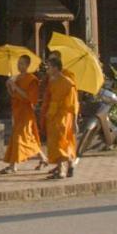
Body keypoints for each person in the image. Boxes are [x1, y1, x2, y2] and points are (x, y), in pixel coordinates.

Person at [0, 55, 46, 174]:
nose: (20, 66)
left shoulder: (32, 79)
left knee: (20, 138)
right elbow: (13, 95)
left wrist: (15, 86)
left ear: (28, 65)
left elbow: (30, 98)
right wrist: (9, 86)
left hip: (26, 112)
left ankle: (13, 166)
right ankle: (42, 158)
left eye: (22, 64)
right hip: (17, 111)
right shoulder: (17, 78)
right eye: (18, 63)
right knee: (22, 138)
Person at [43, 51, 78, 180]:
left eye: (49, 66)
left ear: (56, 68)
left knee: (60, 142)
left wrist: (74, 121)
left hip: (64, 115)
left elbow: (74, 102)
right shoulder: (52, 81)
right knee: (55, 142)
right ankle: (68, 165)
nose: (47, 69)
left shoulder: (68, 82)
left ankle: (62, 170)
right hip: (53, 114)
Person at [93, 78, 117, 151]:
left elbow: (116, 98)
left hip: (112, 102)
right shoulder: (101, 88)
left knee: (112, 118)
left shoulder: (110, 91)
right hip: (105, 104)